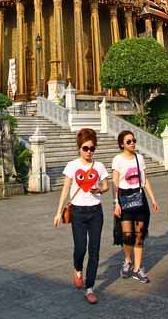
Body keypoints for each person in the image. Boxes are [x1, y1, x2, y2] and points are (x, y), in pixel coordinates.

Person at [54, 128, 109, 304]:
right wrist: (58, 212)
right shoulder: (72, 166)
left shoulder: (99, 166)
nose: (89, 152)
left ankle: (90, 287)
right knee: (80, 248)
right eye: (86, 148)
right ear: (79, 148)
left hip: (95, 212)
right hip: (77, 212)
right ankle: (78, 269)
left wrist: (99, 189)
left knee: (94, 250)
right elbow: (65, 189)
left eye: (92, 148)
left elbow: (106, 186)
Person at [111, 130, 160, 283]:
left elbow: (145, 180)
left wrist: (153, 199)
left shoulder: (139, 158)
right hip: (124, 198)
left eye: (133, 140)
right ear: (122, 144)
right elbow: (115, 183)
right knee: (127, 234)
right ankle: (127, 260)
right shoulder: (117, 160)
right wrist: (116, 203)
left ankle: (138, 269)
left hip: (139, 199)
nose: (132, 143)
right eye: (129, 141)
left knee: (139, 235)